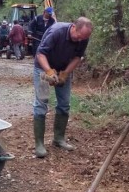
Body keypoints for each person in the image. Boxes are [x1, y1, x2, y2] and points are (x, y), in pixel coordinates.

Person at [32, 17, 93, 158]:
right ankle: (39, 144)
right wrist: (49, 71)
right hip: (42, 68)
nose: (80, 40)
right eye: (78, 36)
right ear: (73, 27)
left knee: (64, 104)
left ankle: (58, 139)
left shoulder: (84, 37)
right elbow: (40, 54)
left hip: (63, 67)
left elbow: (77, 57)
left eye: (83, 38)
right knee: (41, 103)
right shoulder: (56, 32)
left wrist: (65, 73)